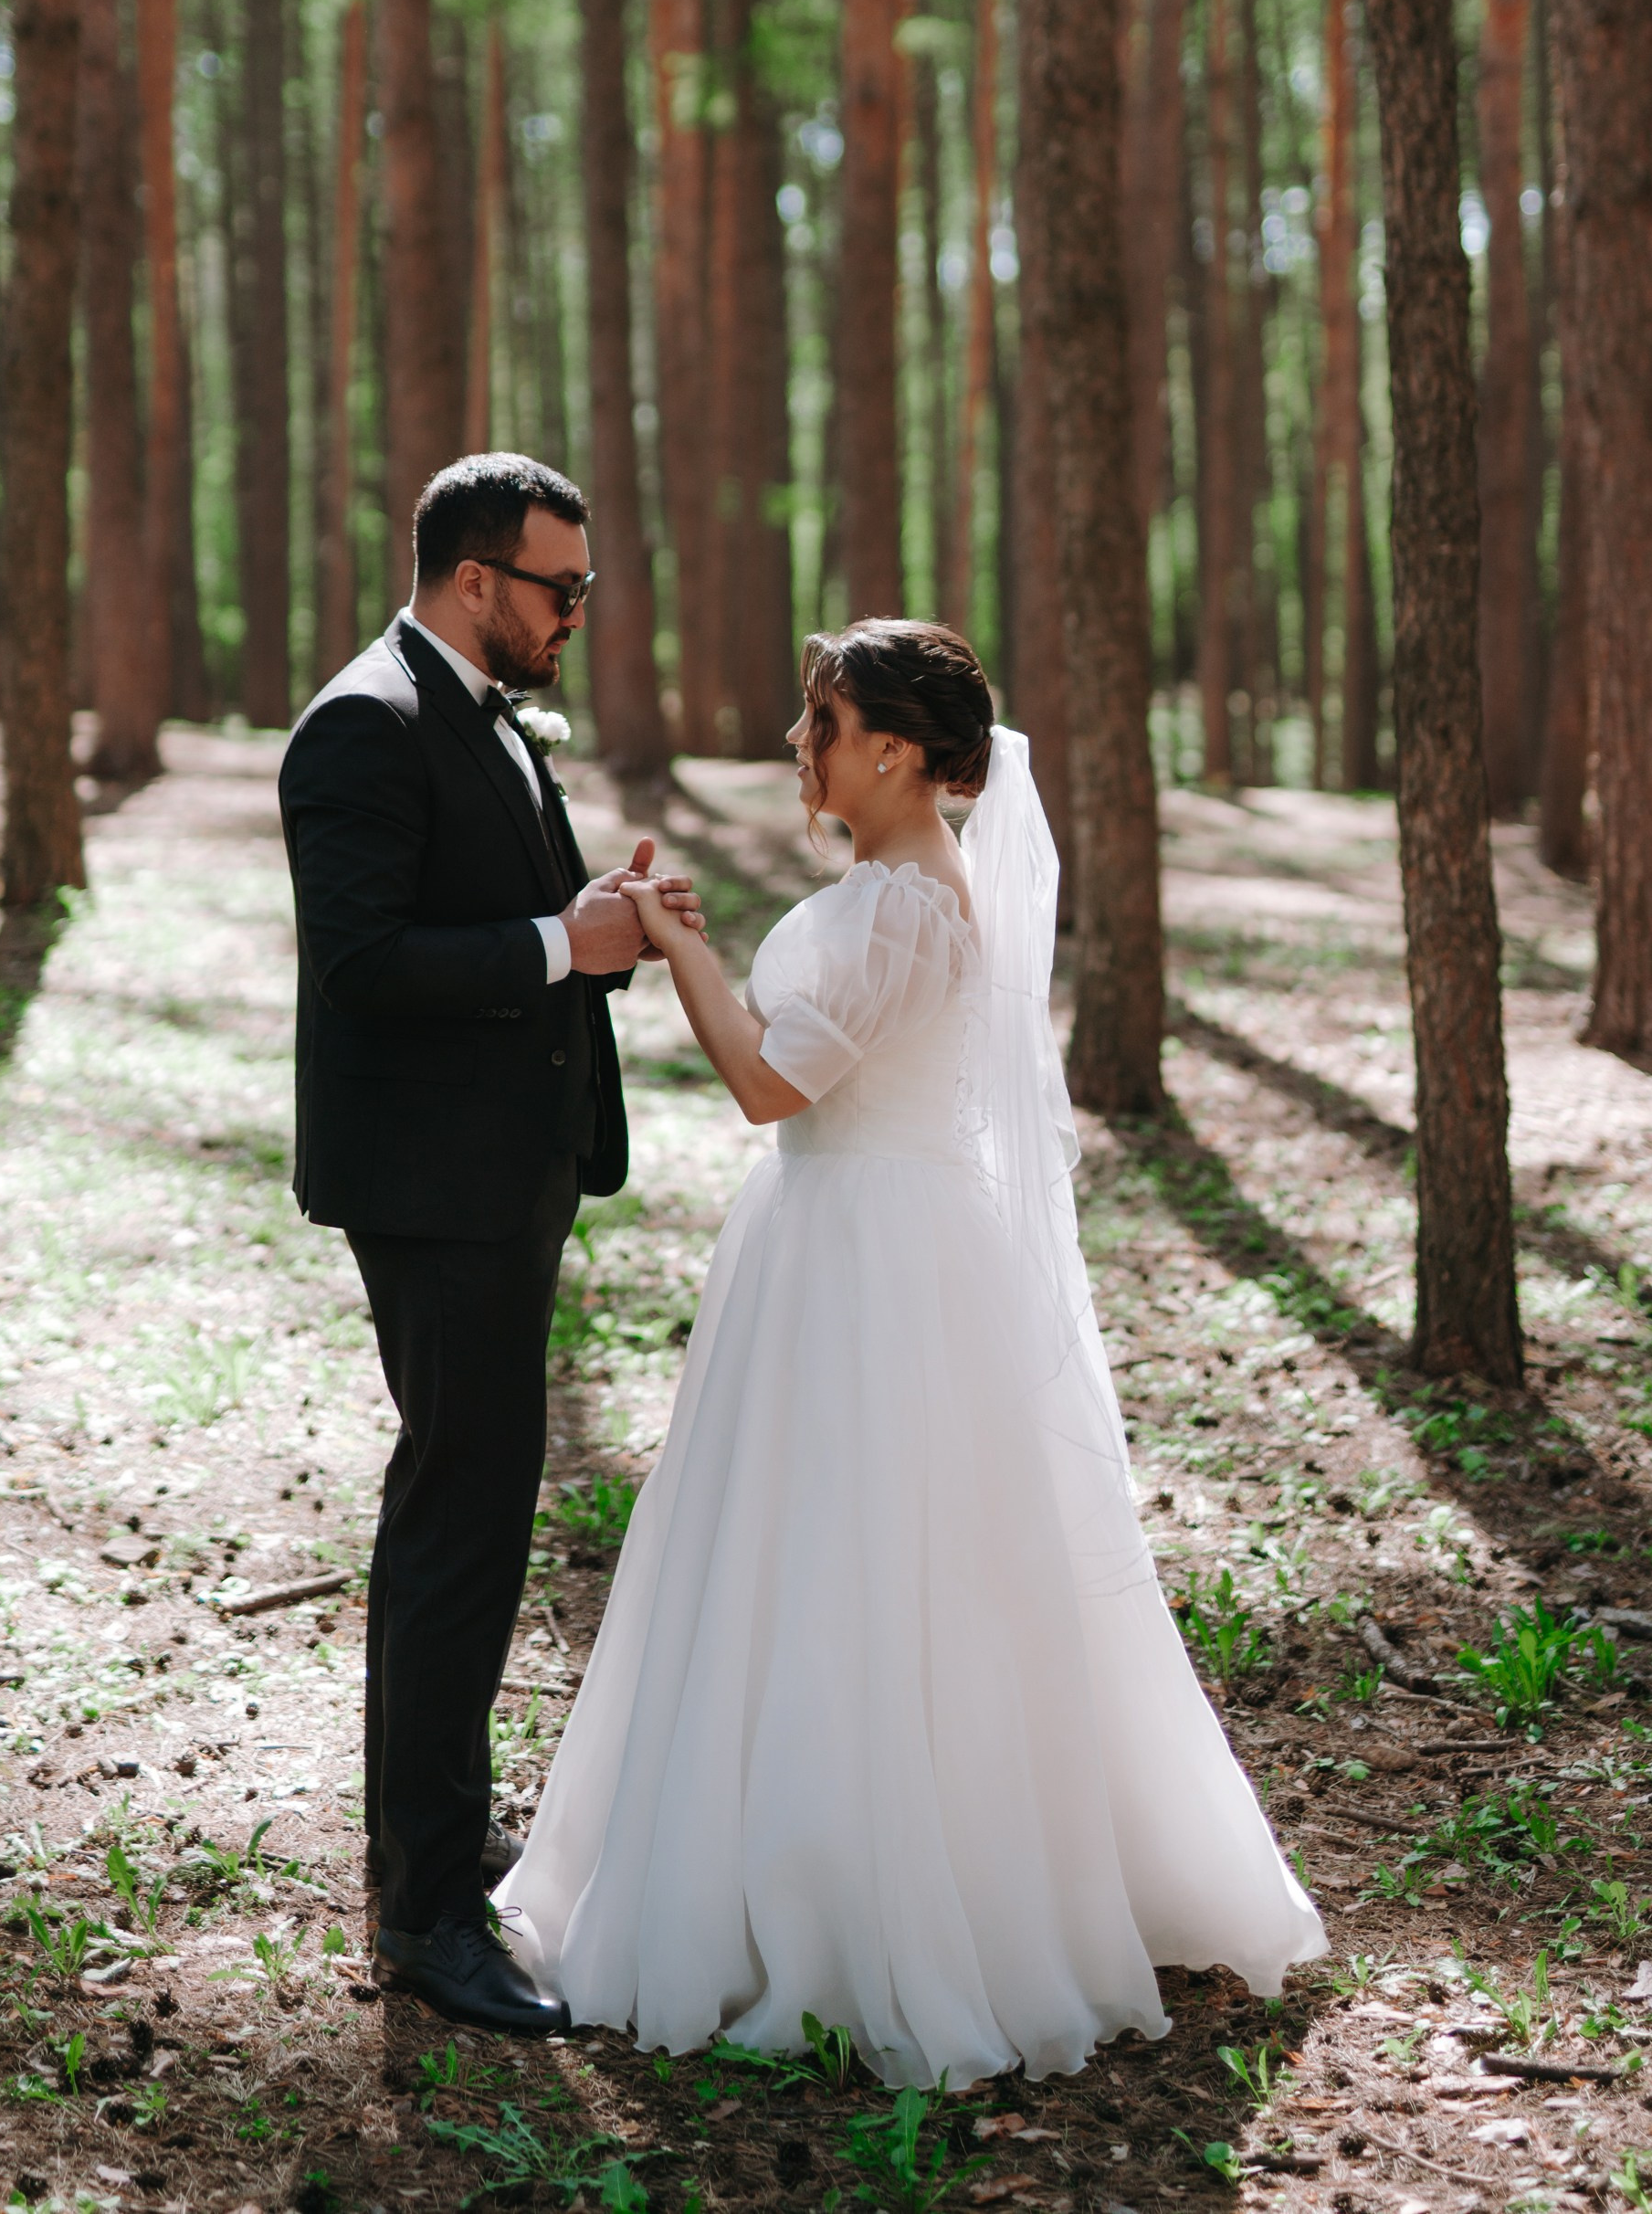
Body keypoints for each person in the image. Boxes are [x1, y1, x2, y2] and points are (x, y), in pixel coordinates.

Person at [500, 617, 1325, 2086]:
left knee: (867, 1561)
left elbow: (766, 1083)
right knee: (815, 1553)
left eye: (819, 722)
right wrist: (693, 940)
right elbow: (800, 1063)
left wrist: (676, 941)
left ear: (893, 749)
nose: (798, 746)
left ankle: (861, 1898)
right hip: (842, 1233)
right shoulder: (887, 887)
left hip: (868, 1251)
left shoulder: (903, 908)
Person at [278, 452, 704, 2040]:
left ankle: (435, 1844)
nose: (578, 613)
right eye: (560, 588)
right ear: (476, 583)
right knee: (458, 1525)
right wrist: (554, 944)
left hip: (506, 1170)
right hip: (433, 1188)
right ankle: (428, 1915)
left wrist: (587, 922)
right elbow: (364, 962)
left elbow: (494, 920)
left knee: (472, 1511)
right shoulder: (361, 725)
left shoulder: (479, 709)